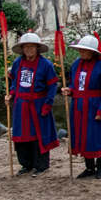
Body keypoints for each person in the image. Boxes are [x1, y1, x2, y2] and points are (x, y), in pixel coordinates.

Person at [6, 32, 60, 176]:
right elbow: (14, 83)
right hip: (21, 105)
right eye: (26, 47)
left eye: (32, 47)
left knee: (38, 135)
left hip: (37, 104)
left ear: (37, 48)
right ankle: (26, 164)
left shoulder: (46, 65)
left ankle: (40, 165)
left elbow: (52, 86)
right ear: (22, 49)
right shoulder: (18, 63)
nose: (29, 50)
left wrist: (48, 104)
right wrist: (11, 94)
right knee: (21, 135)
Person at [67, 34, 101, 179]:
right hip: (79, 106)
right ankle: (89, 167)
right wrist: (69, 91)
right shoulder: (76, 64)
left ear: (92, 51)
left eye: (85, 50)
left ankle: (100, 168)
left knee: (96, 136)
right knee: (83, 136)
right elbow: (75, 85)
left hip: (94, 105)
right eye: (81, 50)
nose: (82, 53)